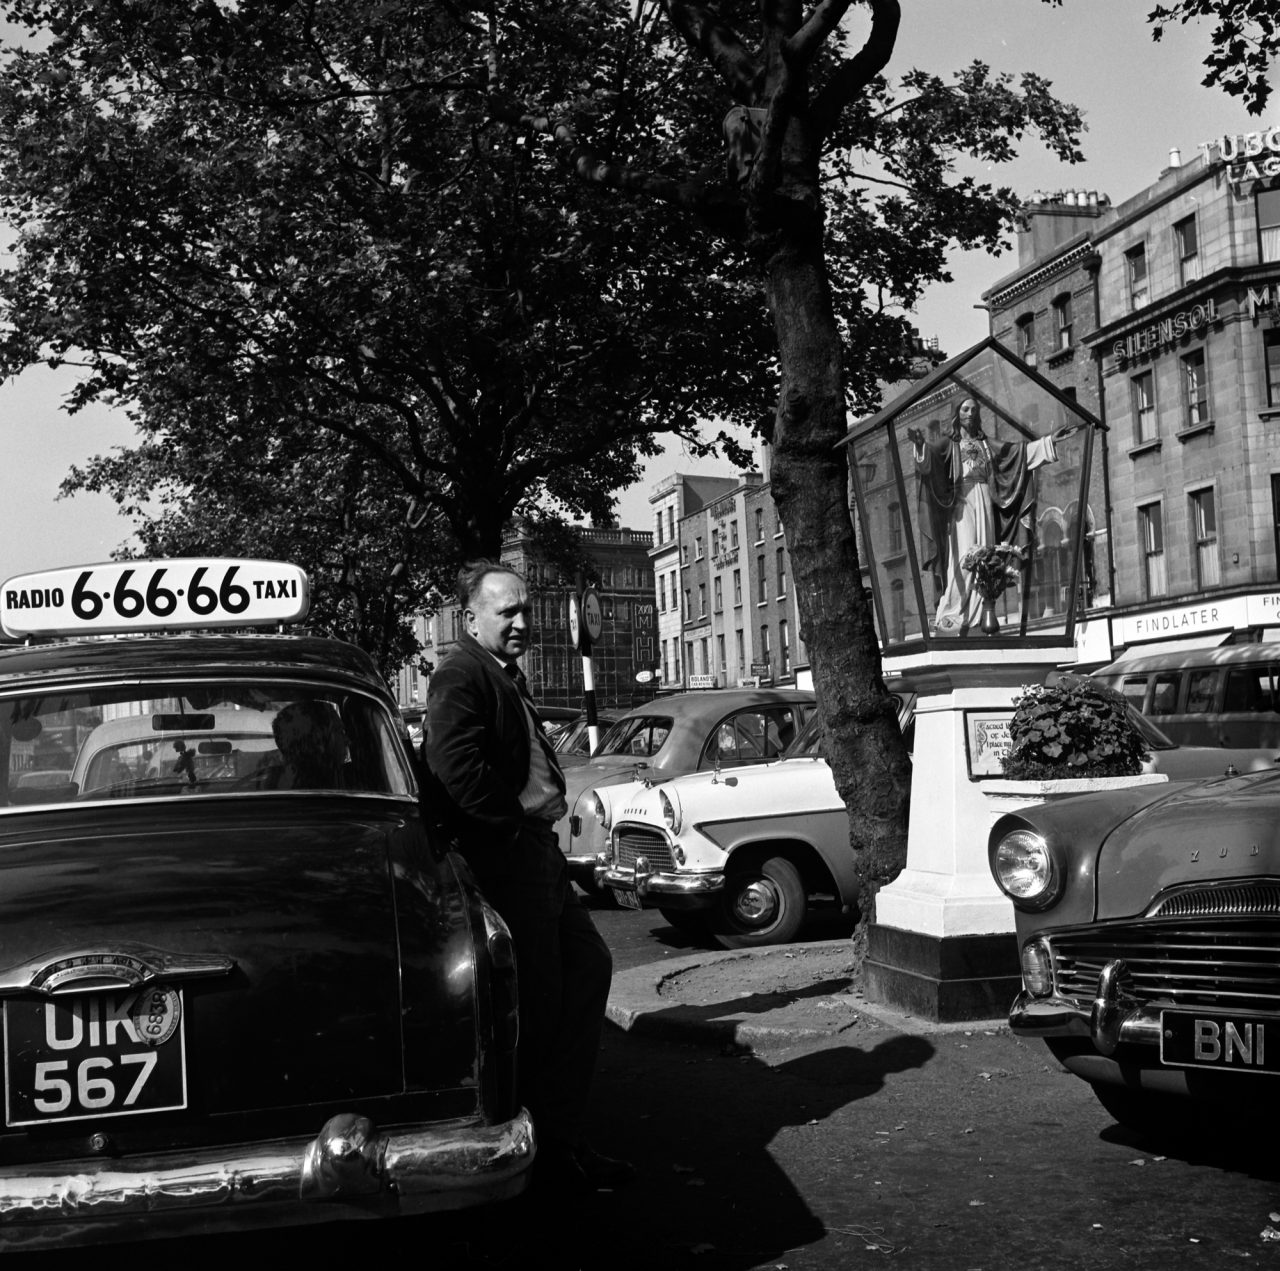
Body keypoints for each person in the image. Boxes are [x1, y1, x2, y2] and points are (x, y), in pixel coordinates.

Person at [423, 561, 631, 1194]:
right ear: (471, 619)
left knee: (586, 971)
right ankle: (538, 1158)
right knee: (537, 1009)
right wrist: (511, 826)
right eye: (505, 612)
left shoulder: (499, 674)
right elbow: (454, 769)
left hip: (535, 852)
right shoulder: (461, 673)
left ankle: (559, 1140)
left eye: (525, 610)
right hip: (513, 859)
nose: (520, 622)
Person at [908, 397, 1079, 635]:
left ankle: (981, 612)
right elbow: (928, 459)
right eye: (965, 409)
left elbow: (1015, 453)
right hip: (961, 503)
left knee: (985, 555)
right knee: (964, 556)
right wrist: (919, 446)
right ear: (957, 414)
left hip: (985, 501)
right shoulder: (949, 443)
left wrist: (1049, 442)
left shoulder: (985, 444)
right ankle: (953, 613)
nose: (970, 413)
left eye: (974, 410)